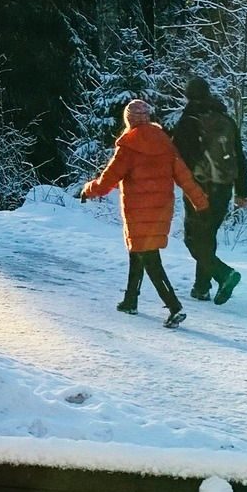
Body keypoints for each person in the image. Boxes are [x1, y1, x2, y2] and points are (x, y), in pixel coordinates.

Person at [79, 98, 208, 327]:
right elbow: (184, 176)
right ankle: (130, 300)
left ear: (129, 120)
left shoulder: (128, 146)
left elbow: (107, 181)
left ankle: (174, 307)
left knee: (150, 259)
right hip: (161, 210)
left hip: (138, 212)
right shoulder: (164, 142)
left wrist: (88, 190)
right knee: (137, 252)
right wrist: (200, 201)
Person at [171, 74, 247, 304]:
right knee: (208, 235)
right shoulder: (226, 119)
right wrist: (242, 191)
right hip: (224, 187)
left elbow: (178, 158)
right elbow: (239, 156)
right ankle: (201, 287)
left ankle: (224, 274)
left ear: (188, 96)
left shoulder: (188, 120)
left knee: (193, 239)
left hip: (199, 187)